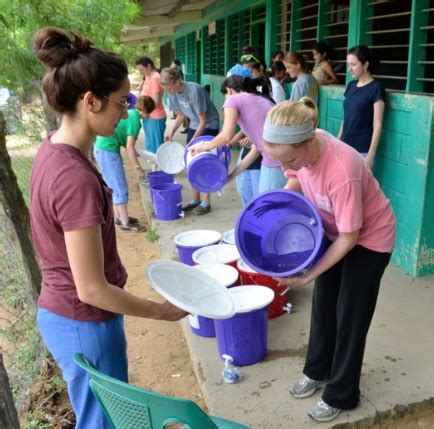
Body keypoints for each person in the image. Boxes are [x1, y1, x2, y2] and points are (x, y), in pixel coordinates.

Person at [31, 27, 186, 429]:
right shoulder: (74, 178)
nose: (125, 112)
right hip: (84, 320)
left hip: (64, 312)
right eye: (120, 103)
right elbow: (92, 289)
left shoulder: (52, 148)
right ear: (90, 101)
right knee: (102, 423)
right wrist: (160, 311)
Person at [262, 97, 395, 422]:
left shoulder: (342, 169)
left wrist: (309, 274)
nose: (285, 167)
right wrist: (276, 205)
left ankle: (342, 392)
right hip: (336, 231)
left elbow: (352, 236)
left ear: (309, 142)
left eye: (289, 158)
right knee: (324, 304)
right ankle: (318, 371)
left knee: (350, 313)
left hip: (369, 239)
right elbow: (295, 178)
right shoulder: (300, 148)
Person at [191, 76, 287, 201]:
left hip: (274, 161)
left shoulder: (233, 100)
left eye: (225, 96)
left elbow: (226, 136)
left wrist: (203, 146)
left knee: (267, 208)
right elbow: (257, 149)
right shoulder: (258, 99)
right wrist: (230, 177)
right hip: (285, 159)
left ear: (229, 90)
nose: (225, 101)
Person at [160, 67, 220, 215]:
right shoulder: (173, 93)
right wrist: (171, 131)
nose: (168, 92)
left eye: (168, 87)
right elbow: (180, 115)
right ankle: (195, 200)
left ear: (176, 81)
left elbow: (203, 120)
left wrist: (192, 143)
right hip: (194, 124)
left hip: (209, 125)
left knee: (203, 162)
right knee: (190, 160)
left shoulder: (195, 90)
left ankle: (206, 202)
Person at [93, 95, 155, 232]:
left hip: (103, 149)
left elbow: (125, 142)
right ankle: (126, 223)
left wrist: (139, 154)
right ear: (147, 112)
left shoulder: (131, 113)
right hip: (107, 151)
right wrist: (138, 168)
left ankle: (120, 217)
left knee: (113, 186)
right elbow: (129, 147)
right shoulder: (136, 121)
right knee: (119, 187)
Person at [337, 45, 386, 169]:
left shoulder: (376, 88)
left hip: (362, 149)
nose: (349, 69)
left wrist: (370, 155)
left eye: (353, 65)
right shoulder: (351, 85)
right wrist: (338, 140)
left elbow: (378, 124)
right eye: (348, 64)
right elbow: (346, 116)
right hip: (345, 146)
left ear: (365, 65)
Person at [135, 56, 166, 153]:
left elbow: (155, 100)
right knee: (150, 145)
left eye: (142, 69)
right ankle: (154, 167)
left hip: (155, 116)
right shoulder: (148, 76)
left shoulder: (155, 77)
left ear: (148, 66)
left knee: (156, 147)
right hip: (149, 115)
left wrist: (145, 112)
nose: (140, 72)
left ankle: (159, 167)